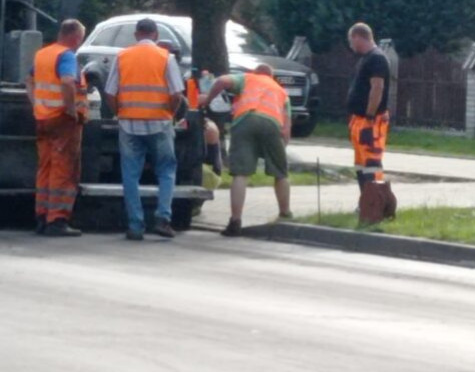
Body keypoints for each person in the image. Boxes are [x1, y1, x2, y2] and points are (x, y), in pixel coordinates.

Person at [104, 18, 184, 241]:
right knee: (166, 170)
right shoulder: (165, 58)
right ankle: (162, 218)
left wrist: (120, 112)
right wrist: (171, 113)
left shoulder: (122, 57)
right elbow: (177, 94)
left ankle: (135, 226)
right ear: (156, 35)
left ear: (137, 34)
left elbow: (110, 93)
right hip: (159, 122)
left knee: (130, 174)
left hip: (129, 123)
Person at [200, 64, 291, 237]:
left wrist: (208, 99)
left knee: (240, 174)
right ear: (271, 77)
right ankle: (285, 213)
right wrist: (280, 151)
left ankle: (235, 221)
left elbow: (221, 81)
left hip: (245, 121)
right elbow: (286, 130)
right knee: (281, 173)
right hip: (272, 125)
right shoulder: (281, 92)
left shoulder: (247, 78)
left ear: (256, 72)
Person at [25, 19, 88, 237]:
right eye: (81, 37)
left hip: (42, 118)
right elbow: (68, 82)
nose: (81, 42)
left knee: (45, 167)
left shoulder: (42, 54)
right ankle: (57, 219)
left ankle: (42, 216)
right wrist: (71, 110)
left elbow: (29, 80)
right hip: (62, 120)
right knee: (63, 169)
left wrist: (36, 104)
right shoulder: (67, 55)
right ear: (74, 36)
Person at [346, 22, 397, 224]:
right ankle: (366, 203)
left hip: (369, 122)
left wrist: (369, 114)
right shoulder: (367, 59)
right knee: (361, 165)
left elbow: (377, 88)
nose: (351, 45)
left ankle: (376, 208)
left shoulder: (376, 59)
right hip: (360, 120)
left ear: (359, 36)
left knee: (371, 165)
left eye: (352, 40)